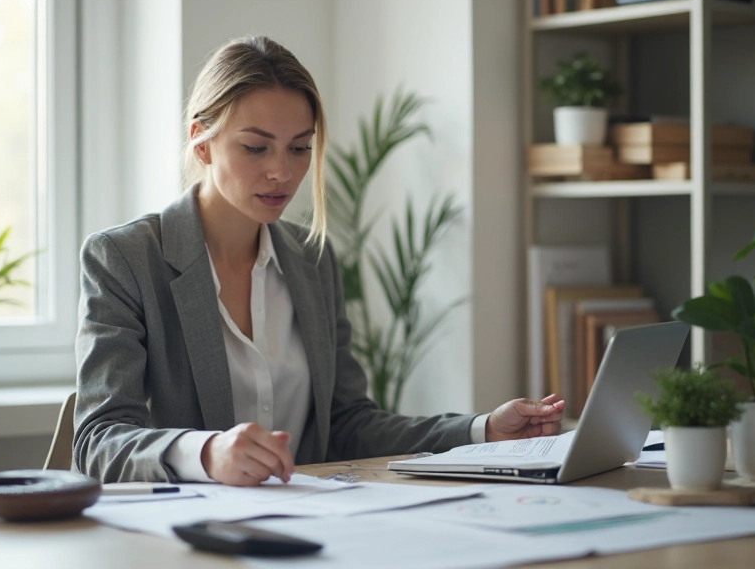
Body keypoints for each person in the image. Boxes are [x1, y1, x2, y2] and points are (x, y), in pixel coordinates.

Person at [73, 35, 564, 487]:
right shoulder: (125, 259)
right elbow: (97, 441)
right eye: (255, 147)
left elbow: (349, 424)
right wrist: (206, 453)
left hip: (310, 526)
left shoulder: (312, 259)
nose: (281, 172)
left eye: (300, 148)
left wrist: (480, 431)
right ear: (201, 140)